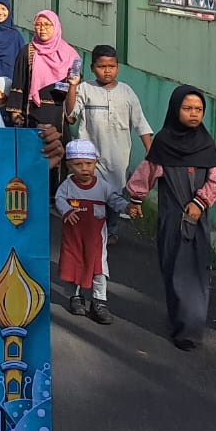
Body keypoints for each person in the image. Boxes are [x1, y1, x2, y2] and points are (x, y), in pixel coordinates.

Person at [125, 86, 216, 350]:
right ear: (175, 109)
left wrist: (200, 202)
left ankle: (190, 330)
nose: (194, 114)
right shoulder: (164, 143)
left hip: (197, 218)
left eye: (199, 109)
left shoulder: (207, 144)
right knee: (174, 269)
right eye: (188, 108)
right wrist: (135, 199)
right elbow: (146, 172)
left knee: (197, 270)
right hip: (171, 218)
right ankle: (178, 320)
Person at [64, 45, 152, 238]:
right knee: (89, 192)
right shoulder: (85, 89)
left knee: (114, 195)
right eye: (102, 66)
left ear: (117, 67)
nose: (107, 70)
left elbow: (140, 122)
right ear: (93, 68)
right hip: (90, 155)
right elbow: (70, 115)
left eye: (111, 66)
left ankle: (111, 231)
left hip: (118, 157)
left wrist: (150, 149)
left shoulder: (126, 92)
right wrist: (72, 85)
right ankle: (88, 230)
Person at [55, 138, 130, 325]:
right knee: (74, 265)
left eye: (88, 163)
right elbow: (59, 199)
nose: (84, 168)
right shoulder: (67, 186)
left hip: (96, 238)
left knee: (99, 269)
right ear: (69, 166)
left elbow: (115, 200)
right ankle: (75, 297)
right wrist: (67, 210)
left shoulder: (102, 186)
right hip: (73, 237)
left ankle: (99, 302)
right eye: (78, 164)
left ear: (95, 163)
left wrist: (128, 208)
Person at [5, 11, 81, 131]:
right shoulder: (27, 52)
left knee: (57, 147)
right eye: (38, 24)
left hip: (58, 114)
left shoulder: (71, 55)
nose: (42, 28)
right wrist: (15, 113)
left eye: (47, 24)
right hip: (32, 113)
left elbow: (75, 86)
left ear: (56, 26)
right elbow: (18, 83)